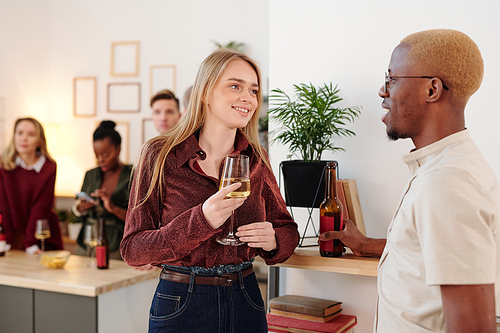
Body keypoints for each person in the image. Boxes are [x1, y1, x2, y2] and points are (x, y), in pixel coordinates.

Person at [320, 29, 499, 332]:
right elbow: (433, 249)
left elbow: (473, 327)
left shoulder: (446, 182)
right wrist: (367, 244)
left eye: (392, 78)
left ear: (432, 90)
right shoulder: (442, 168)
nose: (382, 90)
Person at [121, 48, 299, 333]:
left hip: (246, 299)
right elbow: (133, 249)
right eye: (235, 86)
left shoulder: (257, 158)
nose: (248, 98)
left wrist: (274, 240)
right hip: (181, 302)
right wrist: (201, 220)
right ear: (204, 92)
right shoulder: (160, 155)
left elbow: (288, 230)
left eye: (253, 90)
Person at [0, 117, 63, 253]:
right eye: (20, 133)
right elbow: (3, 206)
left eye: (31, 135)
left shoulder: (48, 167)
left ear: (39, 140)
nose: (24, 139)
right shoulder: (3, 165)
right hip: (10, 236)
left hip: (40, 236)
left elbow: (41, 207)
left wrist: (30, 243)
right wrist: (7, 239)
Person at [73, 120, 132, 260]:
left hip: (116, 245)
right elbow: (76, 212)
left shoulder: (133, 175)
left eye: (105, 155)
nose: (100, 160)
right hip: (86, 243)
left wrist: (112, 208)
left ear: (118, 148)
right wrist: (81, 208)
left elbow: (138, 219)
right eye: (96, 154)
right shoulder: (90, 174)